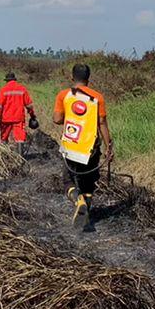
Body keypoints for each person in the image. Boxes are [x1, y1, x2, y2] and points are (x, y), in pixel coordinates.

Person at [53, 63, 112, 232]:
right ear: (88, 79)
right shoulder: (97, 98)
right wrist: (109, 146)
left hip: (70, 146)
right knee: (88, 183)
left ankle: (78, 201)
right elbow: (102, 123)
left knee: (68, 181)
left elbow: (57, 119)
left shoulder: (64, 95)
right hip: (91, 148)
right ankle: (86, 216)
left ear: (72, 78)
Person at [0, 72, 41, 153]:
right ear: (14, 79)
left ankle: (4, 154)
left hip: (6, 118)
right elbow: (29, 105)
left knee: (4, 137)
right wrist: (32, 115)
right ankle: (20, 156)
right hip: (19, 118)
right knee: (20, 137)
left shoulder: (3, 90)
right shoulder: (22, 89)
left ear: (7, 81)